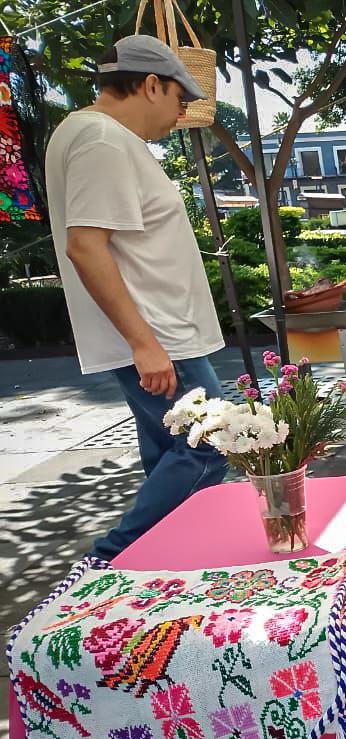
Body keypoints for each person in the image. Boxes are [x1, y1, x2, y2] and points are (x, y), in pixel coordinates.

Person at [45, 35, 227, 560]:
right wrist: (144, 342)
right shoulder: (101, 139)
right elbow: (86, 247)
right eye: (178, 99)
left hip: (158, 334)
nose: (181, 114)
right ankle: (111, 560)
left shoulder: (98, 137)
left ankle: (168, 567)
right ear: (151, 85)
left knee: (171, 452)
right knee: (211, 445)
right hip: (159, 334)